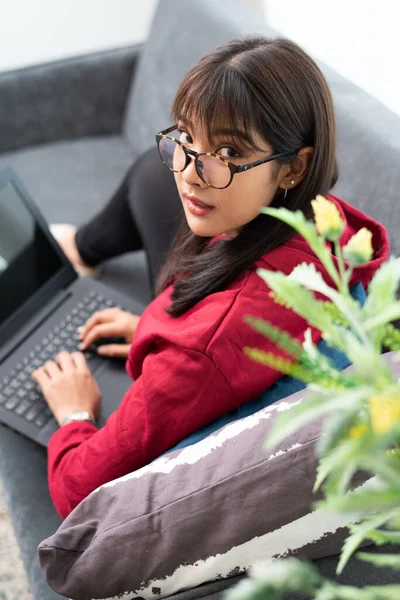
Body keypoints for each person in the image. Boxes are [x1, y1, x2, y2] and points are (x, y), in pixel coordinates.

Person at [32, 36, 389, 519]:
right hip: (225, 335)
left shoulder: (202, 353)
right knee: (152, 174)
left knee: (148, 177)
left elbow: (76, 490)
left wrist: (74, 413)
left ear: (294, 167)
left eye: (227, 150)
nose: (191, 172)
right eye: (185, 137)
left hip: (210, 349)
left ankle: (80, 247)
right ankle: (82, 247)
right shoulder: (327, 228)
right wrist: (154, 331)